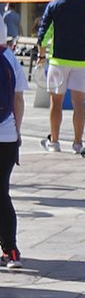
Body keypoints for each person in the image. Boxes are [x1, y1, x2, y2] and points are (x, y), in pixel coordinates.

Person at [36, 0, 85, 154]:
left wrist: (42, 55)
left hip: (59, 60)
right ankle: (77, 143)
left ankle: (54, 142)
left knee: (56, 102)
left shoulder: (56, 5)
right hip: (81, 61)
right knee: (79, 103)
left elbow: (43, 34)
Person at [1, 39, 23, 269]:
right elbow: (18, 99)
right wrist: (17, 132)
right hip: (6, 136)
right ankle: (11, 249)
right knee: (2, 194)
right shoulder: (9, 56)